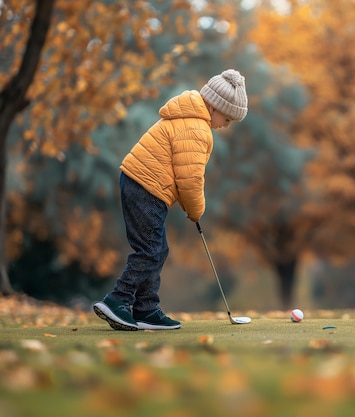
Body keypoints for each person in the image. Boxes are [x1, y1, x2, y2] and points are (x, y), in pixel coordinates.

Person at [93, 69, 248, 331]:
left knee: (157, 249)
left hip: (138, 184)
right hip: (146, 187)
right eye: (227, 117)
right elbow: (190, 179)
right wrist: (196, 210)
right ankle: (118, 300)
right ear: (214, 106)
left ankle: (146, 308)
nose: (226, 124)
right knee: (150, 250)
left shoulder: (188, 118)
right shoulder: (197, 129)